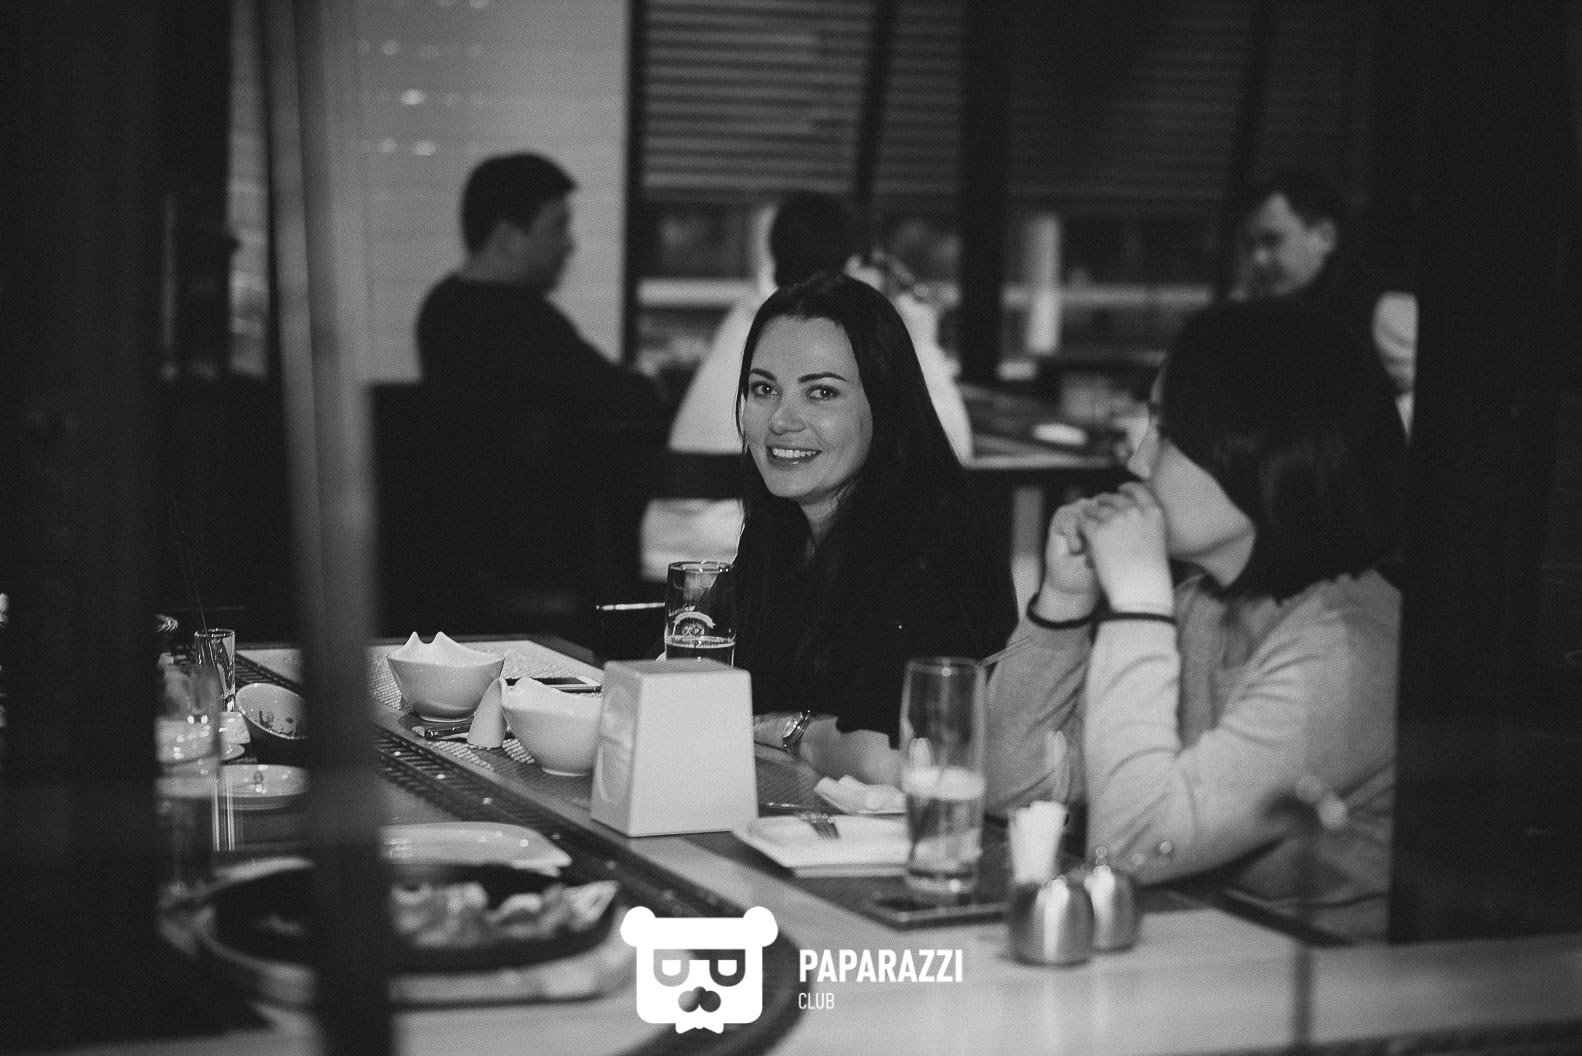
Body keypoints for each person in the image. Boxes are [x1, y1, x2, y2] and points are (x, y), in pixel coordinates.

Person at [985, 299, 1406, 940]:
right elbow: (1013, 792)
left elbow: (1129, 847)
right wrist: (1064, 604)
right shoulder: (1201, 608)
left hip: (1319, 983)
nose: (1137, 461)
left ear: (1259, 449)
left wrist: (1139, 602)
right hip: (1191, 954)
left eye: (1167, 431)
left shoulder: (1350, 650)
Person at [735, 273, 1016, 786]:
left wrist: (789, 729)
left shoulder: (932, 546)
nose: (781, 419)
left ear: (884, 404)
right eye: (764, 389)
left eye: (821, 392)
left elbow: (887, 757)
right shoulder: (780, 527)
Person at [639, 192, 973, 582]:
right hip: (724, 553)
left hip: (683, 541)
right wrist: (921, 339)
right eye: (764, 391)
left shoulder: (750, 315)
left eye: (822, 393)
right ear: (854, 268)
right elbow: (952, 448)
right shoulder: (812, 333)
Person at [409, 153, 665, 630]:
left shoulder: (440, 309)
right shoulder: (522, 322)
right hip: (536, 567)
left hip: (464, 560)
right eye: (558, 226)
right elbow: (625, 396)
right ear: (509, 235)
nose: (569, 244)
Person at [1235, 167, 1417, 429]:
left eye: (1272, 241)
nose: (1258, 259)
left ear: (1325, 236)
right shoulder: (1273, 317)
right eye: (1250, 245)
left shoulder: (1385, 311)